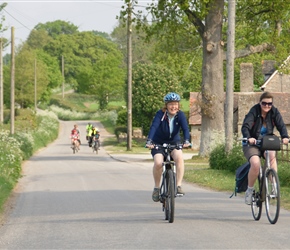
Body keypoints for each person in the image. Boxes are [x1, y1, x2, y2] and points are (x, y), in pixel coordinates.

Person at [241, 91, 289, 205]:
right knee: (256, 163)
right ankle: (250, 190)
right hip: (252, 143)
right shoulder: (254, 111)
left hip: (266, 142)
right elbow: (246, 126)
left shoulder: (274, 112)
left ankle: (273, 186)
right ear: (260, 103)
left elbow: (281, 125)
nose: (267, 106)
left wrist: (285, 137)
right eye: (264, 103)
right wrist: (248, 137)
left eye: (269, 104)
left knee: (272, 156)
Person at [145, 92, 191, 202]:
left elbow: (185, 129)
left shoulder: (180, 115)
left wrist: (186, 140)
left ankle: (178, 186)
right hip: (158, 143)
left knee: (179, 158)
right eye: (170, 104)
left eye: (175, 104)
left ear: (178, 105)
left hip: (174, 142)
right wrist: (150, 141)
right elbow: (154, 127)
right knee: (158, 163)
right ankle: (156, 188)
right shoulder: (160, 114)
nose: (173, 106)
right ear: (166, 105)